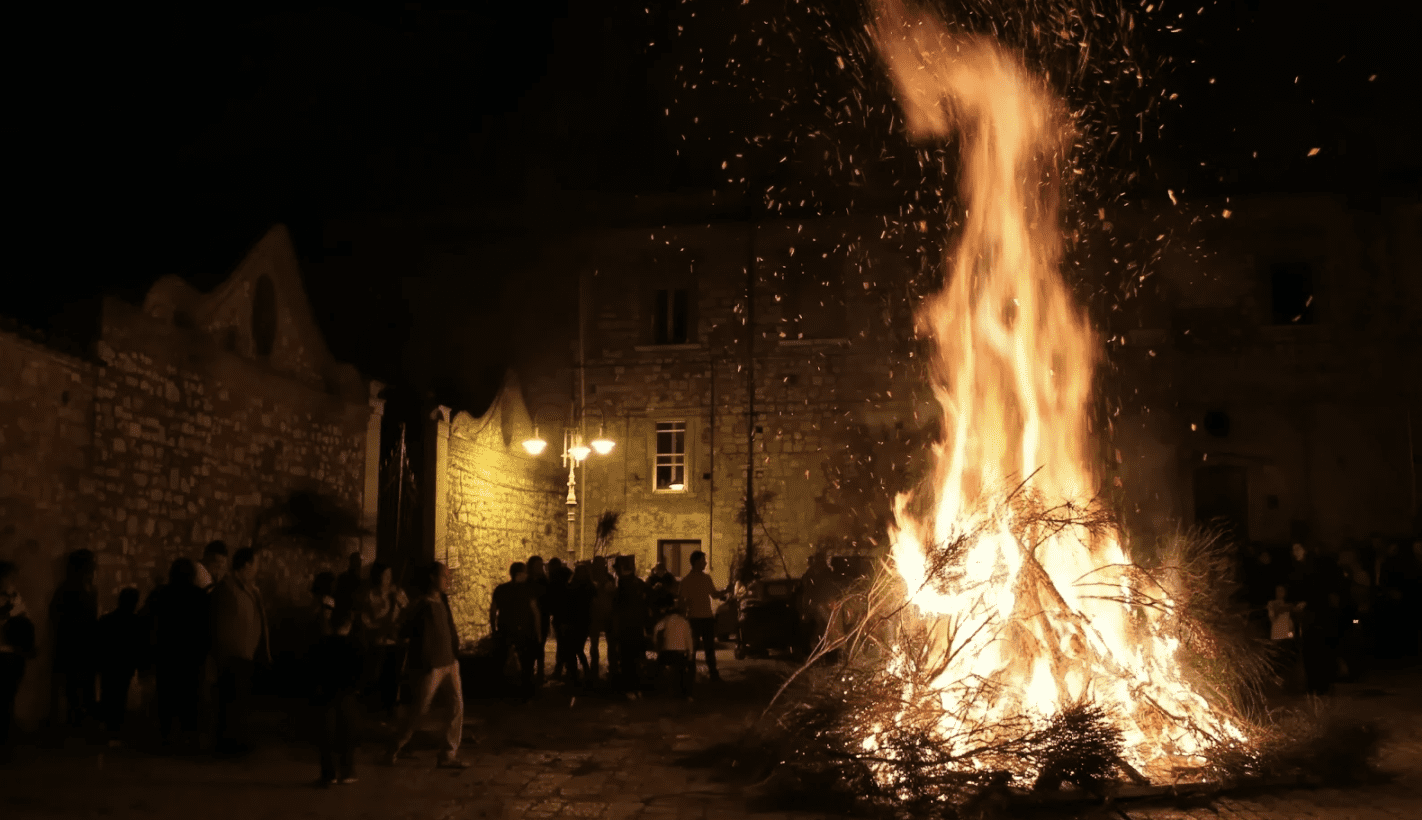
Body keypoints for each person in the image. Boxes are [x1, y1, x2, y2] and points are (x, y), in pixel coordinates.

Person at [389, 562, 467, 769]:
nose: (448, 580)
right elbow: (402, 629)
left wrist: (455, 650)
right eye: (445, 576)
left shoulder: (443, 601)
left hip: (450, 661)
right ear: (432, 577)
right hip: (432, 664)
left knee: (457, 707)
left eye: (450, 577)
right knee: (419, 709)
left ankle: (448, 755)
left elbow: (449, 628)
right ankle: (396, 745)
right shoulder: (422, 604)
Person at [210, 547, 270, 754]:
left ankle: (236, 741)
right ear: (245, 565)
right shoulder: (227, 588)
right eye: (255, 564)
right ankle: (228, 744)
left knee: (240, 701)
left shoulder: (248, 589)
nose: (256, 568)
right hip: (232, 655)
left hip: (245, 655)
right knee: (230, 702)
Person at [145, 558, 210, 748]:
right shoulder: (200, 597)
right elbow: (206, 628)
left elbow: (151, 622)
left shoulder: (161, 595)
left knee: (167, 695)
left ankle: (166, 735)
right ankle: (187, 736)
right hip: (191, 656)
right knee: (190, 697)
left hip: (167, 654)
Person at [310, 606, 364, 786]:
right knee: (347, 734)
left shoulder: (323, 644)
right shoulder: (354, 645)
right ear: (349, 624)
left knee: (327, 735)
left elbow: (314, 669)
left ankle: (328, 773)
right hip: (347, 695)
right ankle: (347, 771)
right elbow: (361, 671)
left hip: (326, 694)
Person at [49, 548, 99, 728]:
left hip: (83, 647)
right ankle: (74, 721)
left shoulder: (88, 589)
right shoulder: (69, 589)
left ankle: (79, 719)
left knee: (81, 687)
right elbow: (58, 617)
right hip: (73, 647)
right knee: (73, 687)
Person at [359, 562, 409, 718]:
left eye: (389, 575)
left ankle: (390, 709)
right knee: (376, 675)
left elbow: (407, 612)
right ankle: (373, 710)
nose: (387, 579)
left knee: (393, 676)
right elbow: (364, 619)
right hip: (378, 641)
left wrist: (399, 603)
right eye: (384, 575)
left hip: (394, 641)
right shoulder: (370, 595)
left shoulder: (397, 592)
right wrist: (378, 627)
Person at [97, 587, 145, 743]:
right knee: (120, 695)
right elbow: (139, 647)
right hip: (125, 666)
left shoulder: (106, 620)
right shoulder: (136, 623)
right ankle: (115, 728)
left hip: (108, 664)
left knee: (107, 692)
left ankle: (106, 726)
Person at [1, 561, 38, 757]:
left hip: (13, 655)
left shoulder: (15, 596)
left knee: (8, 699)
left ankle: (6, 740)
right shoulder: (11, 599)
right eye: (9, 577)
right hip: (5, 654)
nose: (12, 581)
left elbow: (25, 619)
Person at [490, 562, 541, 697]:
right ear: (519, 574)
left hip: (505, 631)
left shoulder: (500, 589)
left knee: (503, 662)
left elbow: (493, 610)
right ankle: (525, 693)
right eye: (525, 572)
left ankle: (505, 692)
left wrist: (493, 629)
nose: (527, 575)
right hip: (524, 633)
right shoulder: (528, 590)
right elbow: (535, 612)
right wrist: (539, 634)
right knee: (527, 664)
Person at [677, 551, 725, 683]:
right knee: (707, 648)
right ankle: (712, 675)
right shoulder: (699, 579)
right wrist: (724, 592)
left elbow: (682, 601)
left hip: (697, 618)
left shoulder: (689, 580)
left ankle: (692, 675)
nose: (705, 563)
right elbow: (715, 595)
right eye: (703, 560)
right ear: (697, 562)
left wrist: (725, 592)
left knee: (695, 649)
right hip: (700, 618)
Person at [613, 557, 650, 698]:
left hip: (626, 628)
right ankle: (638, 688)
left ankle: (629, 689)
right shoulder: (639, 583)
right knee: (637, 659)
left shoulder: (622, 585)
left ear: (621, 569)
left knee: (627, 660)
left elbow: (617, 609)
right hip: (638, 627)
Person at [652, 599, 694, 700]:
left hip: (666, 653)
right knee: (684, 671)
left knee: (658, 668)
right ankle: (686, 693)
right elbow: (689, 640)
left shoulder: (665, 620)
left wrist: (657, 647)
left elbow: (656, 631)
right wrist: (690, 655)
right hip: (679, 654)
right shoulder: (684, 622)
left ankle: (657, 690)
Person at [588, 558, 616, 685]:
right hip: (605, 613)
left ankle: (595, 667)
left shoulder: (592, 577)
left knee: (596, 642)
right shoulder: (607, 577)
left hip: (597, 613)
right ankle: (611, 666)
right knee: (608, 642)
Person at [526, 556, 549, 681]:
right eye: (538, 565)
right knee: (529, 646)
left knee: (540, 646)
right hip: (528, 620)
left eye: (541, 565)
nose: (540, 568)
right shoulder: (527, 582)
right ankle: (529, 672)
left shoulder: (545, 582)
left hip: (543, 618)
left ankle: (540, 673)